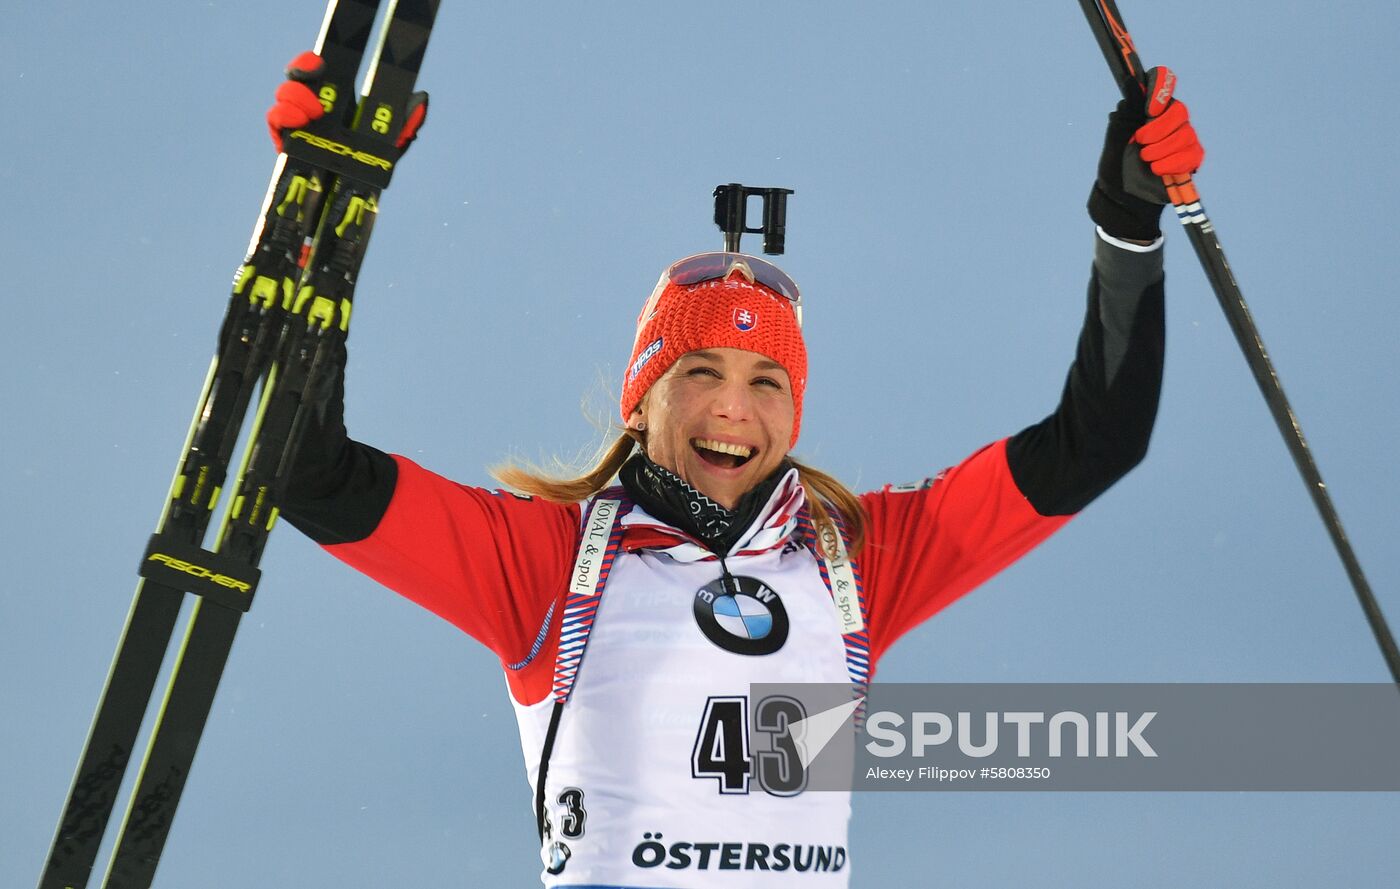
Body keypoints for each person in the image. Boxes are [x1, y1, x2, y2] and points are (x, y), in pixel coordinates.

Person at [269, 52, 1203, 889]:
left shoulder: (856, 561)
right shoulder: (551, 562)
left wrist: (1125, 222)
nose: (733, 408)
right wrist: (320, 220)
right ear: (640, 398)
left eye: (768, 382)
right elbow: (313, 475)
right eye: (700, 372)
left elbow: (1095, 444)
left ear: (794, 412)